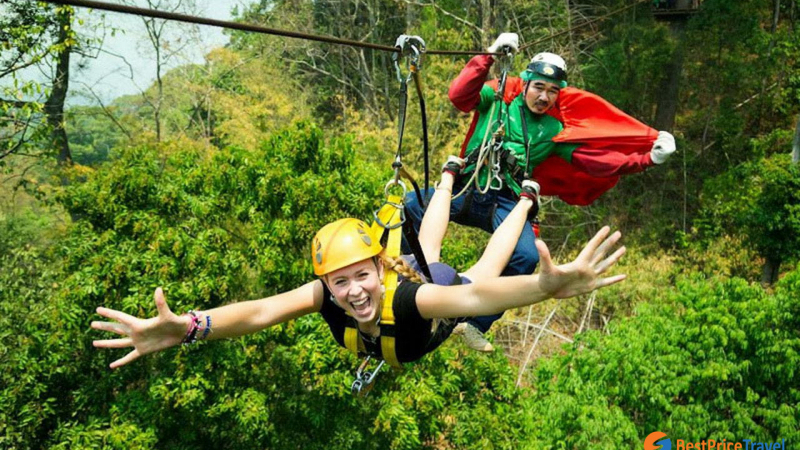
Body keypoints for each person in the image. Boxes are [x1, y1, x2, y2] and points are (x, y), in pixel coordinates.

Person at [92, 159, 627, 369]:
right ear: (326, 281)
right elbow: (257, 312)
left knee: (478, 269)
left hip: (431, 297)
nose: (352, 293)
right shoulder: (326, 294)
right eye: (340, 282)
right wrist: (187, 328)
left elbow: (473, 299)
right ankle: (446, 176)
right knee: (432, 251)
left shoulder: (410, 298)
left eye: (361, 277)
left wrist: (543, 287)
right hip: (414, 279)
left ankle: (528, 200)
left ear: (380, 268)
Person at [403, 32, 676, 351]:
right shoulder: (496, 97)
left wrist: (646, 158)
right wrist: (488, 55)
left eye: (552, 92)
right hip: (470, 186)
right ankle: (404, 274)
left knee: (527, 255)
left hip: (505, 201)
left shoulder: (553, 130)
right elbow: (459, 95)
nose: (544, 97)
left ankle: (473, 323)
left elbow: (594, 162)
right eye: (539, 87)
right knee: (410, 206)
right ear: (526, 83)